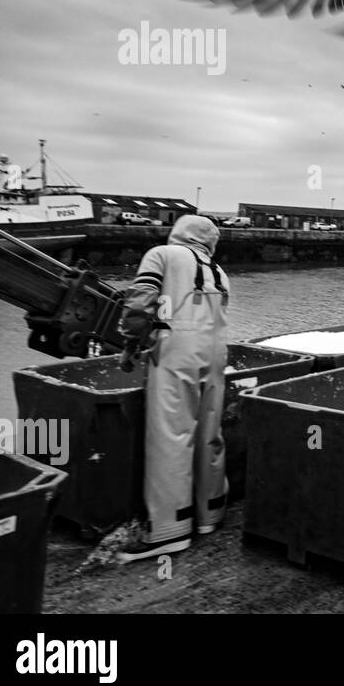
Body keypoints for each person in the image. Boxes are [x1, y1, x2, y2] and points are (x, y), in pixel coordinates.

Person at [116, 215, 230, 562]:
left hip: (177, 347)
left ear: (178, 233)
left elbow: (140, 303)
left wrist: (130, 344)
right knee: (209, 431)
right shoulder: (220, 272)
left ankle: (168, 531)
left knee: (172, 434)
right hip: (215, 351)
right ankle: (209, 514)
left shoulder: (161, 254)